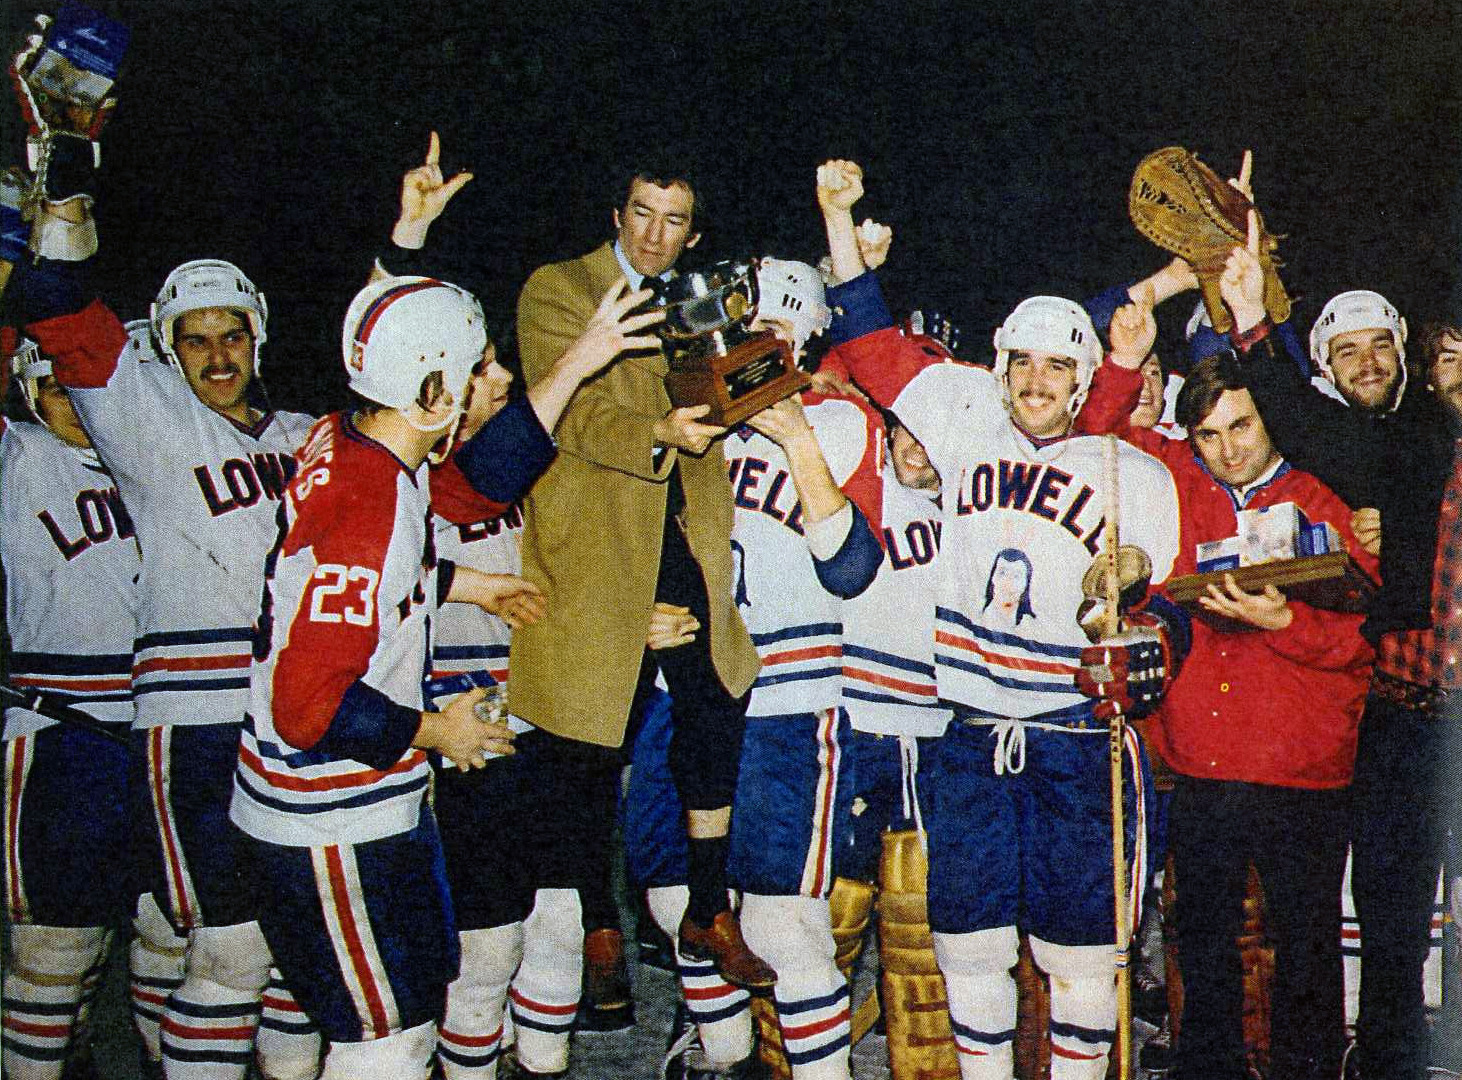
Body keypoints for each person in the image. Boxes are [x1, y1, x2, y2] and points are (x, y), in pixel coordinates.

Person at [816, 158, 1185, 1080]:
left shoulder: (1132, 475)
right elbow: (866, 341)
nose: (1036, 380)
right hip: (972, 733)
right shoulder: (966, 415)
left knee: (1081, 960)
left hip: (1077, 741)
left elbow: (1167, 605)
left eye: (1060, 365)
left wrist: (1138, 604)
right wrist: (837, 215)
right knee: (970, 946)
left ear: (1088, 377)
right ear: (998, 362)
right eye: (1022, 360)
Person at [230, 271, 561, 1080]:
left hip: (341, 806)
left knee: (406, 1009)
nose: (496, 379)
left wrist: (469, 583)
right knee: (389, 1040)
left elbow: (381, 562)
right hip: (328, 812)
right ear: (430, 388)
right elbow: (308, 703)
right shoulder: (373, 493)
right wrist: (436, 730)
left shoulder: (358, 441)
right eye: (477, 368)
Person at [1081, 235, 1380, 1079]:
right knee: (1199, 937)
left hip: (1303, 764)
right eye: (1209, 434)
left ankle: (1307, 1069)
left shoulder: (1323, 491)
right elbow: (1096, 440)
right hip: (1203, 761)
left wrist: (1288, 619)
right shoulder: (1180, 479)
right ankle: (1206, 1064)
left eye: (1242, 425)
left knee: (1305, 945)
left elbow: (1370, 635)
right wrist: (1127, 355)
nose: (1229, 448)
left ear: (1269, 415)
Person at [511, 157, 767, 987]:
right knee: (594, 728)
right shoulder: (557, 288)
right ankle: (597, 923)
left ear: (693, 232)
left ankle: (707, 901)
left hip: (681, 526)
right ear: (617, 212)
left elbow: (733, 379)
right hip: (592, 537)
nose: (654, 235)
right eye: (642, 214)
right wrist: (657, 428)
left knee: (717, 692)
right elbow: (570, 413)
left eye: (673, 221)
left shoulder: (694, 294)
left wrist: (793, 375)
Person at [1230, 222, 1455, 1080]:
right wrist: (1251, 314)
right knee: (1392, 917)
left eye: (1382, 347)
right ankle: (1390, 1061)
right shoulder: (1404, 447)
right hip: (1402, 716)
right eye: (1450, 358)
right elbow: (1306, 423)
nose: (1369, 363)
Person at [0, 331, 153, 1080]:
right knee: (54, 951)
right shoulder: (19, 457)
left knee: (170, 938)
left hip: (166, 730)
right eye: (56, 389)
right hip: (65, 728)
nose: (78, 407)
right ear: (29, 392)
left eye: (84, 387)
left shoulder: (163, 457)